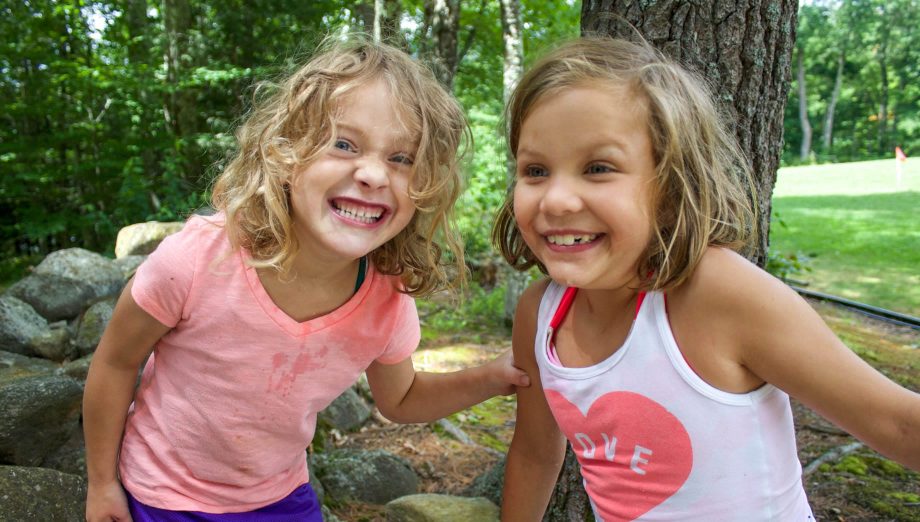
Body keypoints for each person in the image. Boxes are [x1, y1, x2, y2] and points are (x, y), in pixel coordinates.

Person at [83, 38, 530, 521]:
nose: (374, 174)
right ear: (284, 154)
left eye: (402, 159)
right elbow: (115, 363)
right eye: (343, 144)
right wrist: (102, 483)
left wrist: (491, 377)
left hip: (279, 498)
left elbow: (400, 399)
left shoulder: (387, 298)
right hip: (160, 495)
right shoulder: (197, 258)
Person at [495, 37, 920, 521]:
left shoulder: (717, 295)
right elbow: (534, 454)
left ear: (671, 186)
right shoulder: (542, 315)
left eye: (598, 168)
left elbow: (900, 425)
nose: (555, 200)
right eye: (535, 170)